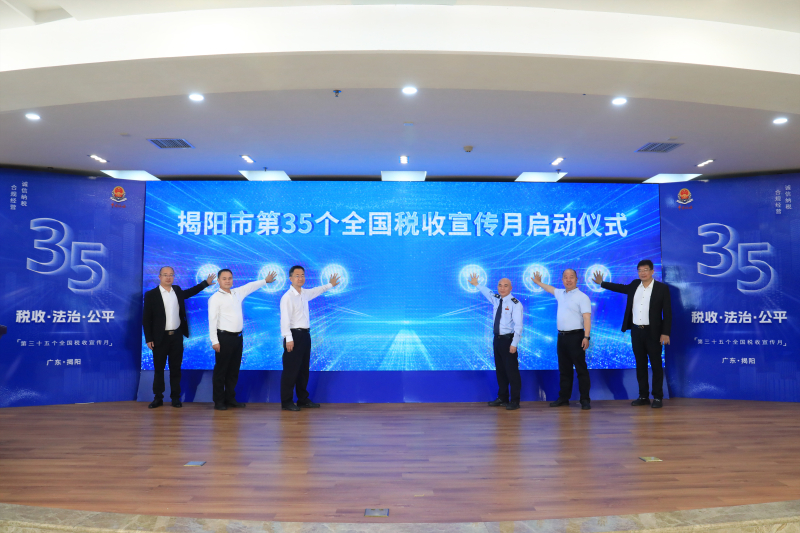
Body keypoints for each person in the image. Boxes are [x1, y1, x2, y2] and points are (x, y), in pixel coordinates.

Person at [593, 260, 672, 408]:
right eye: (640, 270)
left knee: (656, 365)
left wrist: (665, 333)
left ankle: (657, 397)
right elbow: (620, 288)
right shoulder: (635, 284)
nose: (642, 273)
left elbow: (667, 313)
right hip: (636, 331)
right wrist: (602, 283)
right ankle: (643, 396)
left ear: (652, 271)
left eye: (645, 270)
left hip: (654, 333)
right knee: (640, 365)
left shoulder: (662, 288)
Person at [142, 267, 215, 409]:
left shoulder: (177, 290)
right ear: (159, 277)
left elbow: (190, 292)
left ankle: (175, 398)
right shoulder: (151, 295)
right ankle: (158, 398)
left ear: (174, 277)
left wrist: (205, 283)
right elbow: (146, 319)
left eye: (171, 275)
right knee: (159, 369)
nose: (168, 277)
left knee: (176, 369)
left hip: (176, 337)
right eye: (165, 275)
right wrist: (149, 338)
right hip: (159, 338)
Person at [208, 268, 276, 411]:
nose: (227, 281)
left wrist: (265, 281)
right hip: (224, 338)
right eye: (224, 278)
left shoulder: (237, 292)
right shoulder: (215, 298)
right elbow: (212, 321)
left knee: (233, 370)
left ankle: (230, 398)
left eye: (230, 278)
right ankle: (219, 401)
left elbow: (250, 286)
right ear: (219, 281)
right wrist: (214, 341)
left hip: (238, 338)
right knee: (221, 371)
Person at [279, 266, 340, 411]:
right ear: (290, 278)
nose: (300, 278)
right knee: (291, 370)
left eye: (302, 275)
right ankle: (287, 402)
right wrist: (288, 338)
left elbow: (317, 290)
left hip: (305, 335)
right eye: (297, 275)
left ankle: (302, 399)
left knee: (303, 370)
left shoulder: (304, 293)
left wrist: (330, 284)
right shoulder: (287, 297)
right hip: (293, 335)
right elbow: (284, 319)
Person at [532, 269, 593, 410]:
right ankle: (564, 398)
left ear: (576, 279)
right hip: (562, 337)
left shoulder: (582, 297)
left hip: (576, 337)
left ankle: (585, 399)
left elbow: (587, 318)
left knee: (581, 370)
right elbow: (549, 288)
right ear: (562, 280)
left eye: (571, 277)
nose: (568, 279)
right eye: (565, 277)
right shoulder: (560, 293)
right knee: (564, 370)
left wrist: (586, 336)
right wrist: (538, 282)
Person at [469, 273, 524, 410]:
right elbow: (487, 292)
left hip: (508, 341)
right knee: (500, 371)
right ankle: (502, 397)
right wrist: (477, 284)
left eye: (505, 286)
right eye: (500, 285)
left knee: (512, 372)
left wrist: (514, 344)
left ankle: (515, 401)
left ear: (511, 288)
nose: (502, 288)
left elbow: (518, 326)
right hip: (497, 340)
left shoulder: (515, 304)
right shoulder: (497, 299)